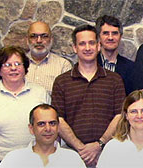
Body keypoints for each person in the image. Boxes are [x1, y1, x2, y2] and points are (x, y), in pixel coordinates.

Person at [51, 24, 126, 167]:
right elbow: (58, 119)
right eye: (82, 44)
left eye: (91, 43)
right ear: (74, 48)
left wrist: (99, 144)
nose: (87, 48)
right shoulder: (62, 81)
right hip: (72, 154)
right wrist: (81, 148)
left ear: (98, 46)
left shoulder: (114, 80)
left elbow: (120, 116)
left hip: (108, 152)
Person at [0, 46, 50, 168]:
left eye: (18, 64)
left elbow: (51, 129)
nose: (13, 68)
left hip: (35, 160)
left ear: (25, 68)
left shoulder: (40, 93)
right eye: (7, 65)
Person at [0, 104, 85, 168]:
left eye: (52, 123)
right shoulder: (13, 159)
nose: (48, 128)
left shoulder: (72, 159)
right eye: (41, 124)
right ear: (31, 128)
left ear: (58, 127)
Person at [25, 21, 72, 96]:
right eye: (33, 36)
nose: (39, 40)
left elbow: (67, 97)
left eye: (44, 36)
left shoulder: (63, 65)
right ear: (27, 40)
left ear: (51, 39)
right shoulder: (18, 64)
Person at [95, 15, 135, 95]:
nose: (110, 37)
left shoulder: (131, 68)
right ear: (99, 37)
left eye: (114, 33)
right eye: (106, 33)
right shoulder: (90, 65)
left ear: (120, 37)